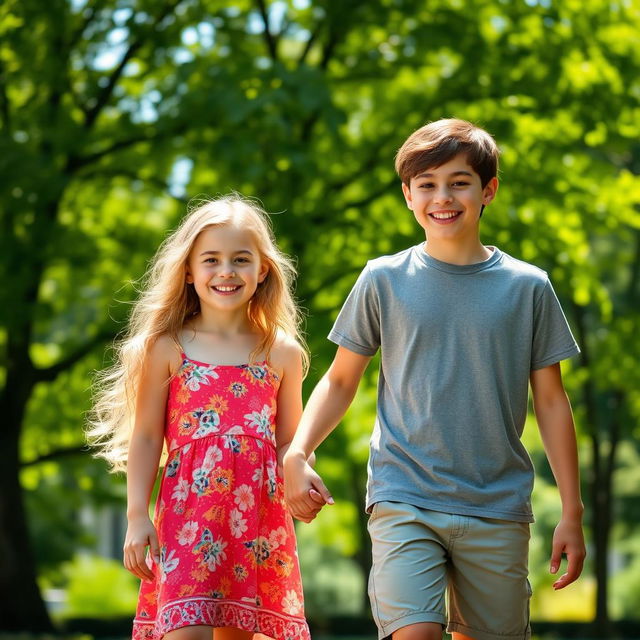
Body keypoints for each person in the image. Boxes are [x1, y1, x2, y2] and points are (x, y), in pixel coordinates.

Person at [283, 119, 586, 640]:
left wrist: (573, 512)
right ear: (407, 195)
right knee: (415, 633)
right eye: (426, 184)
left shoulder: (528, 288)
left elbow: (553, 404)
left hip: (497, 504)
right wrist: (297, 452)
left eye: (459, 182)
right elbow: (338, 381)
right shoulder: (383, 279)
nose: (442, 197)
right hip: (404, 495)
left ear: (488, 190)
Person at [87, 195, 312, 640]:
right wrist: (136, 515)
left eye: (240, 259)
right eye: (211, 259)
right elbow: (148, 436)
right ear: (188, 271)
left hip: (256, 523)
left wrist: (301, 473)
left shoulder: (281, 352)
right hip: (188, 518)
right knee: (183, 630)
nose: (226, 271)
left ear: (262, 270)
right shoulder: (169, 347)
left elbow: (290, 441)